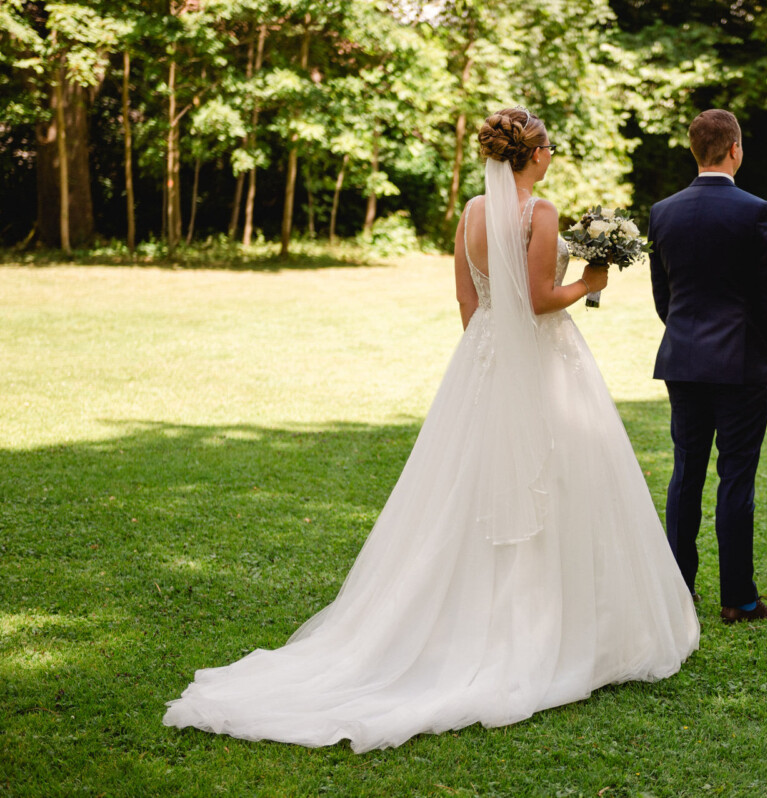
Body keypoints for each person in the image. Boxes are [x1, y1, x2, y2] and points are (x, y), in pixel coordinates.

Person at [163, 107, 699, 752]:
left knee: (467, 491)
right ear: (532, 156)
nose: (552, 156)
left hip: (481, 360)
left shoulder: (473, 211)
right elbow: (535, 300)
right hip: (545, 361)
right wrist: (589, 281)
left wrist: (490, 360)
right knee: (553, 479)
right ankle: (558, 629)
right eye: (548, 147)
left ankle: (468, 618)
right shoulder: (543, 211)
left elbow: (469, 302)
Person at [647, 109, 767, 624]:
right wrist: (763, 355)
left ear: (694, 151)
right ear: (734, 149)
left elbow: (664, 297)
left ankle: (677, 593)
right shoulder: (756, 210)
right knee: (736, 478)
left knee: (686, 473)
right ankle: (740, 600)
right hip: (741, 366)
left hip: (682, 362)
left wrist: (687, 338)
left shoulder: (663, 211)